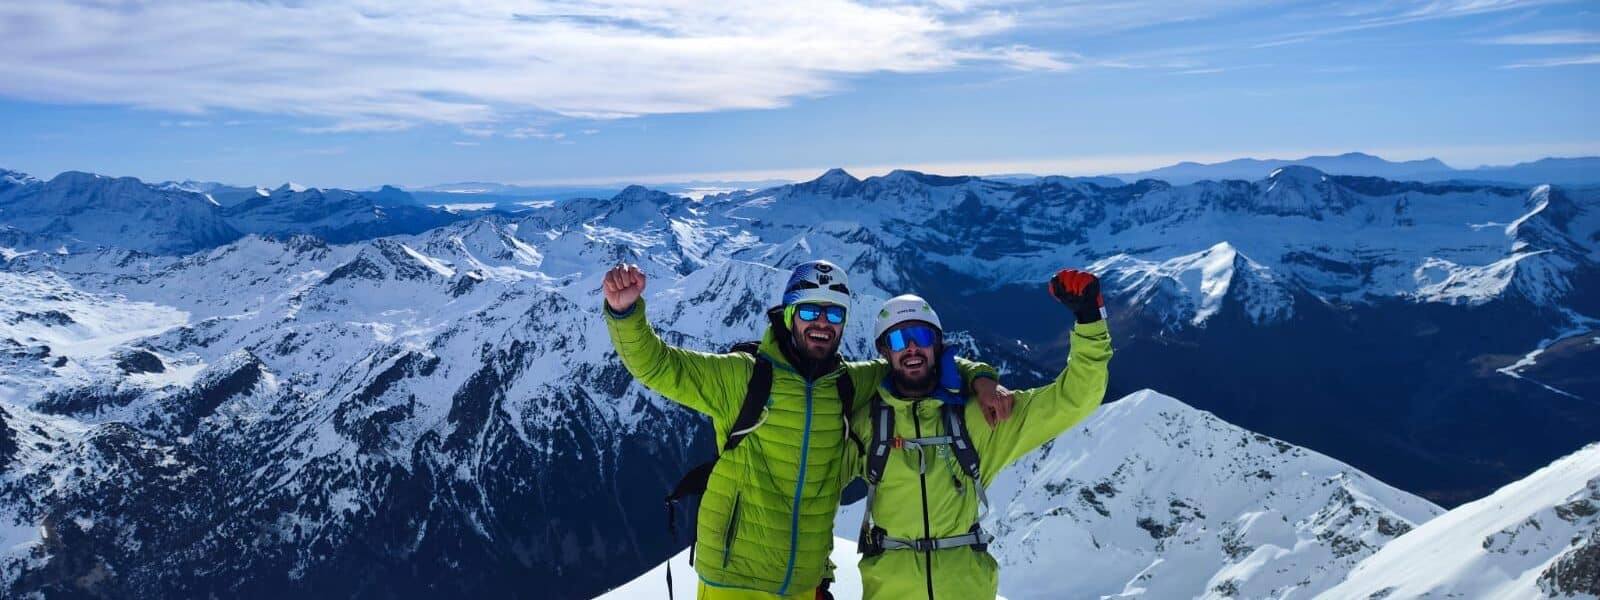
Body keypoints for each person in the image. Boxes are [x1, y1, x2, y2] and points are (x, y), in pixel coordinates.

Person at [601, 260, 1010, 599]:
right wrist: (625, 314)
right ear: (789, 315)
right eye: (811, 311)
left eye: (834, 314)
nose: (822, 323)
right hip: (733, 579)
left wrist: (981, 378)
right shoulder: (743, 376)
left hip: (803, 583)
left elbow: (917, 363)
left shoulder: (850, 383)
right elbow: (658, 364)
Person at [850, 269, 1113, 599]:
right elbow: (810, 482)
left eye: (921, 336)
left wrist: (1090, 320)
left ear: (937, 344)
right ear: (884, 352)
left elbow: (1074, 399)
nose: (912, 348)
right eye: (900, 340)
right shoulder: (868, 424)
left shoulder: (980, 416)